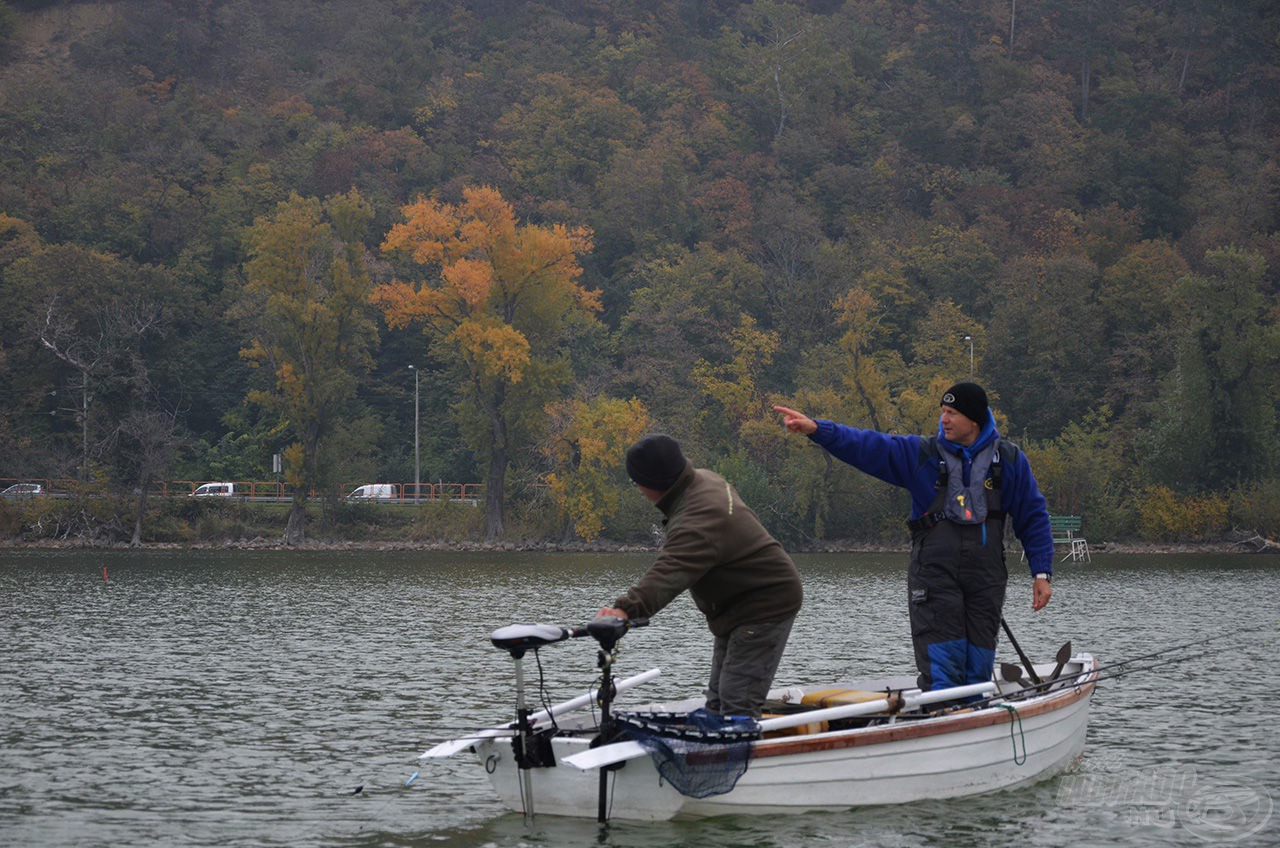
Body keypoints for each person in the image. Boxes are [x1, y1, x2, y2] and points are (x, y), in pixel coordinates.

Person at [774, 382, 1054, 692]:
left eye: (952, 413)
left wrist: (1041, 573)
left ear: (974, 420)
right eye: (943, 412)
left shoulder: (1010, 460)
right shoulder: (921, 454)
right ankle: (943, 721)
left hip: (985, 578)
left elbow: (1033, 517)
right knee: (945, 671)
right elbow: (867, 446)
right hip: (935, 576)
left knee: (978, 672)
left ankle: (974, 723)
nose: (944, 419)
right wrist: (817, 429)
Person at [597, 434, 803, 718]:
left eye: (638, 483)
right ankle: (722, 742)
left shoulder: (698, 518)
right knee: (718, 699)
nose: (639, 490)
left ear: (653, 483)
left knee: (736, 702)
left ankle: (743, 754)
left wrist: (624, 610)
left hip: (765, 604)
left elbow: (669, 572)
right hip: (736, 605)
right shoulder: (702, 480)